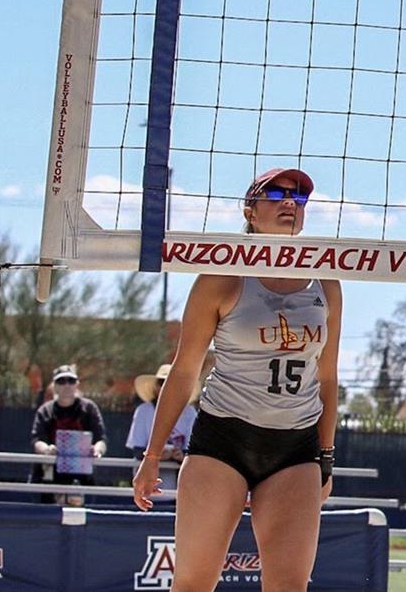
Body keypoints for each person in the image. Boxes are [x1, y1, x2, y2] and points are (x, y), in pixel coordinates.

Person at [133, 167, 343, 592]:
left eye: (299, 198)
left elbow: (328, 377)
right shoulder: (221, 275)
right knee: (194, 581)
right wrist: (153, 454)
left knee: (288, 585)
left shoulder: (326, 279)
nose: (290, 202)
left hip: (294, 445)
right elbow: (184, 368)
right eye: (278, 194)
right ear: (250, 209)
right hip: (224, 440)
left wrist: (326, 456)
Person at [31, 363, 106, 503]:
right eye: (61, 381)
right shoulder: (45, 411)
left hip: (83, 473)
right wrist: (47, 449)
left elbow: (101, 440)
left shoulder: (89, 409)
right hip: (51, 473)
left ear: (77, 384)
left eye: (70, 381)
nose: (67, 385)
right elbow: (37, 441)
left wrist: (97, 450)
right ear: (55, 386)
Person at [127, 363, 198, 491]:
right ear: (155, 387)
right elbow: (137, 450)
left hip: (180, 482)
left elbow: (193, 451)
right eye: (162, 382)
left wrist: (180, 456)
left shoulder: (189, 412)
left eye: (172, 383)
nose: (167, 387)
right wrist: (155, 455)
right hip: (147, 481)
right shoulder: (143, 411)